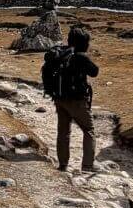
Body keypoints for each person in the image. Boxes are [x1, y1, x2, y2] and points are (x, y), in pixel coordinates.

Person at [42, 26, 99, 172]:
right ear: (84, 43)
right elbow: (95, 72)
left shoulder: (60, 53)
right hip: (77, 101)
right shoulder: (80, 57)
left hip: (59, 98)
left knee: (63, 132)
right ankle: (87, 165)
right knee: (89, 130)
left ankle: (63, 165)